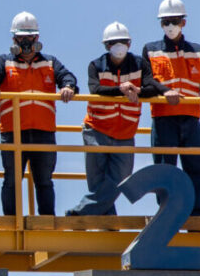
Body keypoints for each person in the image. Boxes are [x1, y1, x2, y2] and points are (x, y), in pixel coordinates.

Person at [0, 11, 77, 216]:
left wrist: (68, 86)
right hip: (13, 132)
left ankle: (45, 221)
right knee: (11, 180)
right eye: (21, 38)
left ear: (37, 38)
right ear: (14, 39)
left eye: (29, 37)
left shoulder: (50, 62)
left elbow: (67, 76)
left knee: (44, 181)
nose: (25, 42)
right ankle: (11, 220)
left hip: (43, 132)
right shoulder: (3, 62)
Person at [66, 22, 163, 216]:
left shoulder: (139, 64)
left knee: (120, 179)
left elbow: (153, 86)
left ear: (129, 43)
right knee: (97, 181)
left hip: (125, 132)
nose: (119, 46)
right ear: (106, 46)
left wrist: (138, 90)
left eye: (123, 42)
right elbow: (95, 89)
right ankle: (109, 221)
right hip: (96, 129)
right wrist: (120, 90)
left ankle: (80, 212)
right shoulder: (96, 65)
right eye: (113, 42)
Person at [142, 0, 200, 217]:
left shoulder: (196, 50)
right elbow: (147, 81)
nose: (170, 26)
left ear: (183, 22)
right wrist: (166, 92)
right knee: (165, 168)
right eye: (165, 22)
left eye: (174, 21)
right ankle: (168, 209)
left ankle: (194, 209)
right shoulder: (151, 49)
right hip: (164, 117)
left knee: (198, 169)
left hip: (191, 117)